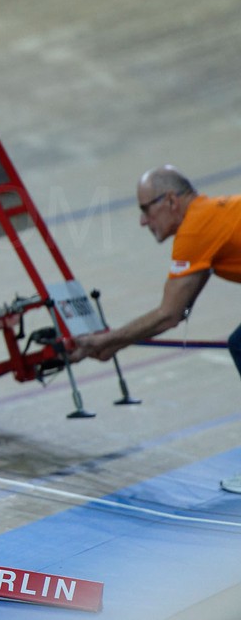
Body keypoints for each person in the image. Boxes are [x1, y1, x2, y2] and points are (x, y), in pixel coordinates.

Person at [69, 165, 241, 493]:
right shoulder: (207, 218)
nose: (142, 221)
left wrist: (107, 340)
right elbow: (181, 309)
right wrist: (115, 343)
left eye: (146, 209)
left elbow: (169, 314)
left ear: (171, 201)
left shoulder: (195, 230)